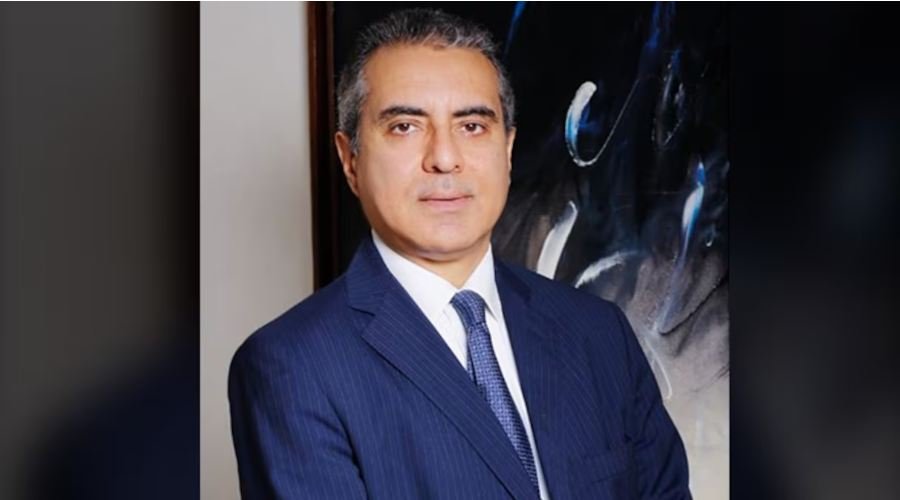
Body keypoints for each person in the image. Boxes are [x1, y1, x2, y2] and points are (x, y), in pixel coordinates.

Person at [228, 8, 690, 500]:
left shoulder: (599, 334)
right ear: (350, 159)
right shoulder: (291, 366)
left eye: (471, 126)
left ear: (507, 150)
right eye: (405, 126)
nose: (445, 158)